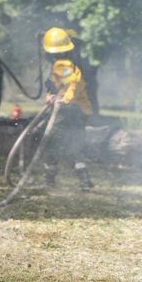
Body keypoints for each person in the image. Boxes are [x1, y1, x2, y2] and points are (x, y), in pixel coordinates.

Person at [41, 27, 94, 191]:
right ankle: (85, 181)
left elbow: (72, 85)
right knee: (75, 145)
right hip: (75, 111)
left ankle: (50, 181)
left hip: (68, 111)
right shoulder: (66, 63)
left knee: (52, 143)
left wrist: (63, 100)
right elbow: (57, 85)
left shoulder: (63, 65)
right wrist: (50, 96)